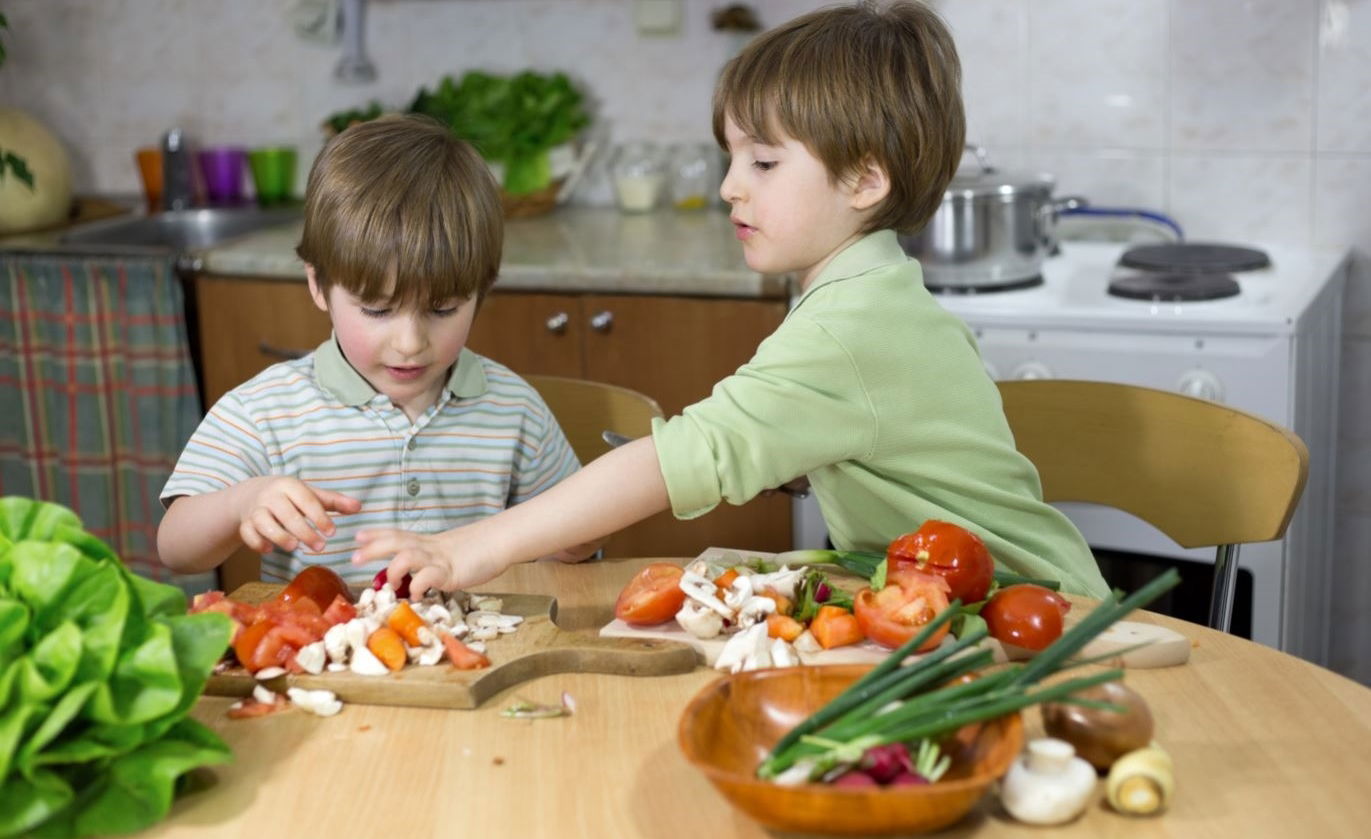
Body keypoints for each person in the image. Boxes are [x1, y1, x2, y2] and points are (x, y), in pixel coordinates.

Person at [350, 1, 1111, 599]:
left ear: (864, 180)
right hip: (955, 602)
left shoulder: (852, 324)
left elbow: (684, 459)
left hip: (1030, 615)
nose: (729, 186)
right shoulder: (869, 291)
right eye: (732, 156)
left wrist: (465, 546)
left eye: (765, 161)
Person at [157, 114, 597, 584]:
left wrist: (576, 542)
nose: (410, 343)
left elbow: (573, 546)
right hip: (325, 653)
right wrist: (240, 502)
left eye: (443, 309)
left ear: (482, 291)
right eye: (378, 310)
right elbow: (176, 549)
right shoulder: (266, 411)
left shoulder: (514, 409)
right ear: (319, 286)